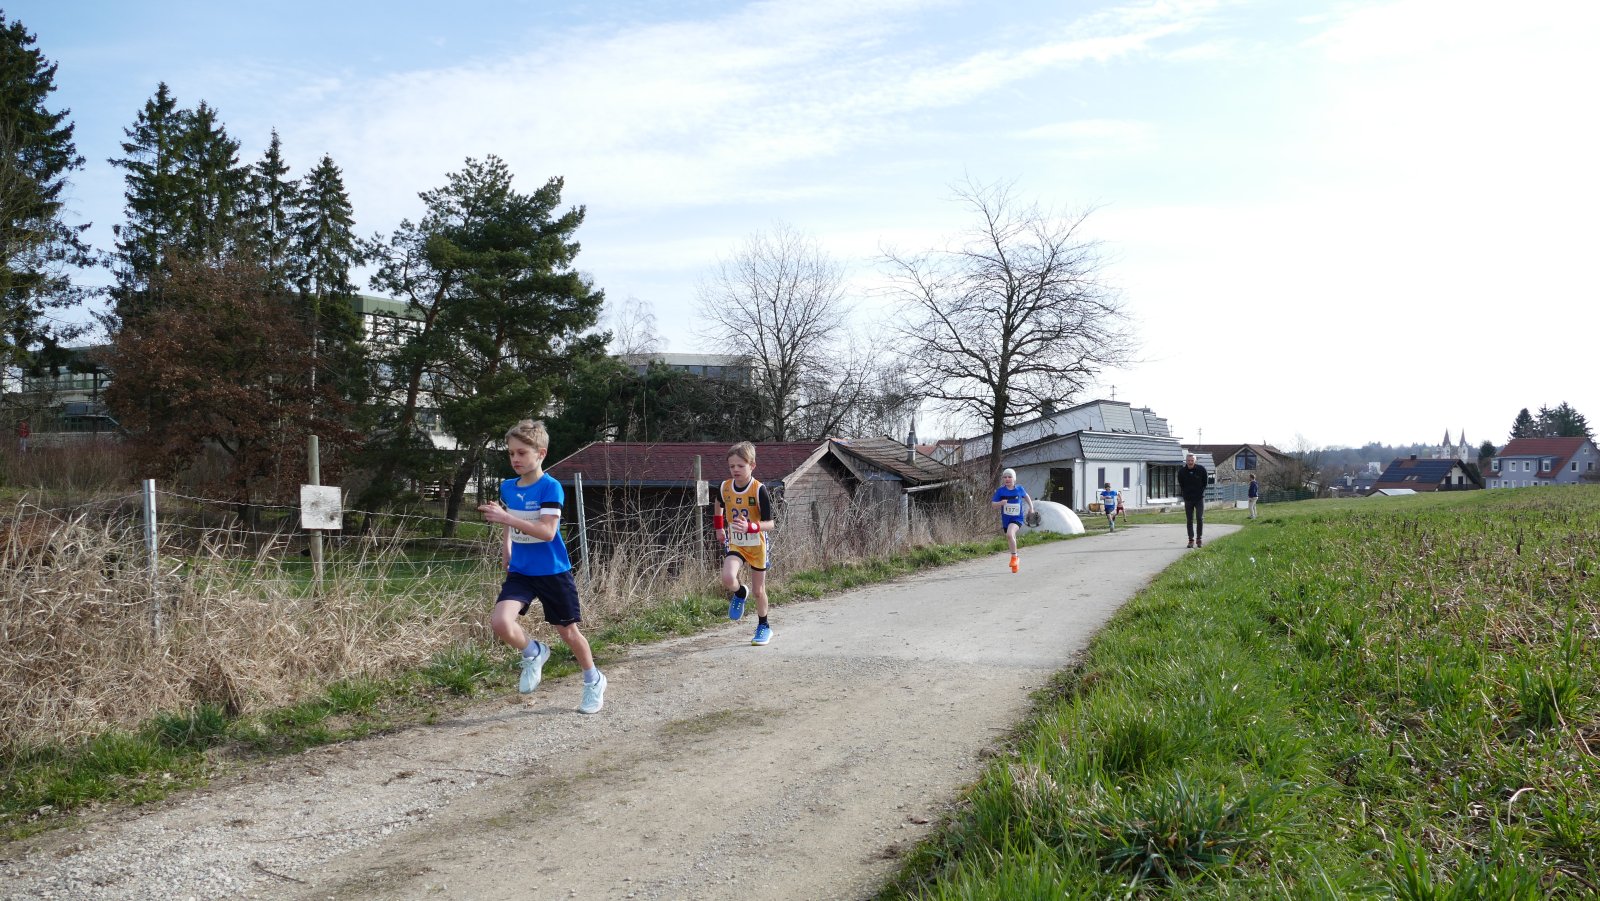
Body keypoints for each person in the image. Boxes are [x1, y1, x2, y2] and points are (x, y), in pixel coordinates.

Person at [477, 419, 607, 714]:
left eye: (522, 453)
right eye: (511, 453)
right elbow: (510, 518)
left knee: (568, 632)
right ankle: (533, 652)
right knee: (500, 622)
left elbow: (548, 532)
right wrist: (507, 546)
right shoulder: (508, 487)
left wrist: (506, 519)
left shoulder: (551, 487)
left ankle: (593, 680)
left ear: (541, 454)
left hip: (552, 571)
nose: (515, 459)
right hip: (521, 571)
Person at [713, 441, 776, 646]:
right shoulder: (725, 487)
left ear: (752, 466)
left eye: (740, 465)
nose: (736, 470)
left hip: (757, 545)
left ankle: (764, 626)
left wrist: (751, 527)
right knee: (728, 577)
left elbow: (770, 524)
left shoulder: (759, 490)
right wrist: (719, 528)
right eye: (732, 466)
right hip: (737, 544)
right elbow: (718, 503)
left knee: (758, 591)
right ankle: (740, 592)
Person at [991, 468, 1035, 572]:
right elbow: (993, 505)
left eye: (1010, 477)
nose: (1007, 479)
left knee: (1010, 534)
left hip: (1017, 518)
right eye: (1005, 477)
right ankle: (1016, 563)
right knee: (1011, 537)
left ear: (1014, 479)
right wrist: (1000, 503)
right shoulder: (1000, 491)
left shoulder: (1019, 489)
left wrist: (1031, 508)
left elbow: (1026, 497)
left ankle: (1014, 557)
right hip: (1006, 519)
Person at [1177, 453, 1209, 548]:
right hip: (1188, 499)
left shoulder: (1201, 469)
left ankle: (1199, 539)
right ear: (1186, 461)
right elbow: (1181, 484)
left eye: (1192, 460)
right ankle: (1191, 540)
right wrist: (1186, 493)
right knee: (1189, 520)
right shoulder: (1182, 472)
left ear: (1195, 461)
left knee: (1199, 518)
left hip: (1199, 498)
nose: (1190, 462)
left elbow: (1205, 483)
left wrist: (1200, 492)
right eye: (1188, 460)